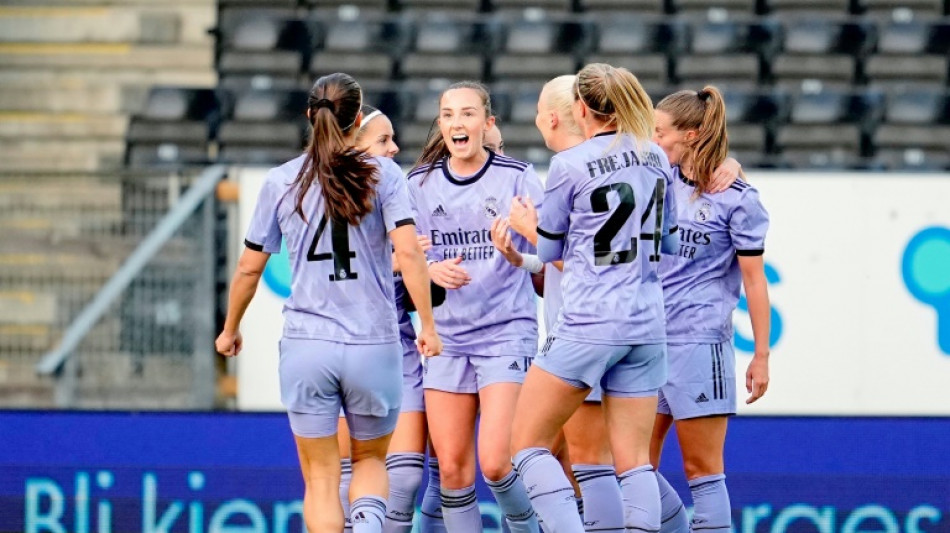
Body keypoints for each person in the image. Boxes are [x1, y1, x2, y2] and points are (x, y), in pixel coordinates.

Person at [215, 73, 442, 533]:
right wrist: (428, 326)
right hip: (372, 343)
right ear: (357, 119)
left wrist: (230, 328)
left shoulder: (282, 181)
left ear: (308, 117)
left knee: (320, 478)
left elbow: (247, 268)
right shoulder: (385, 175)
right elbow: (410, 252)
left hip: (307, 344)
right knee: (371, 462)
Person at [509, 63, 678, 533]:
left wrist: (528, 231)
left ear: (580, 108)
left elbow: (547, 251)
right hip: (646, 323)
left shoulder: (569, 164)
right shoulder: (656, 157)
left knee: (526, 444)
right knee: (633, 462)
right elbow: (668, 242)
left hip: (587, 323)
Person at [408, 81, 543, 533]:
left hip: (506, 331)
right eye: (447, 114)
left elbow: (551, 254)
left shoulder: (518, 177)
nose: (456, 123)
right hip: (446, 336)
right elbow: (406, 256)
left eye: (467, 114)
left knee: (498, 463)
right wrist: (428, 269)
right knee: (451, 472)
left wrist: (518, 252)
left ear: (488, 124)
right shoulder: (419, 184)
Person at [650, 86, 770, 533]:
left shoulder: (737, 197)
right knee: (633, 468)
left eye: (661, 132)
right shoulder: (659, 179)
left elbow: (755, 281)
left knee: (702, 471)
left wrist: (761, 354)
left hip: (700, 344)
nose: (654, 140)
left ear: (692, 134)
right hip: (647, 342)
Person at [332, 104, 433, 533]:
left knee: (407, 474)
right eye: (383, 141)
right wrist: (396, 262)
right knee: (346, 476)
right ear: (354, 146)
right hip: (339, 346)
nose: (394, 149)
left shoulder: (399, 191)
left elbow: (418, 270)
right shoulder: (323, 194)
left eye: (393, 139)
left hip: (397, 344)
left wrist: (433, 278)